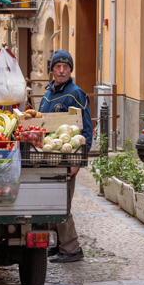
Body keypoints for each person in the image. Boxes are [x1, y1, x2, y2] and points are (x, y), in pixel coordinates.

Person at [39, 49, 93, 263]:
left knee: (62, 205)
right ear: (52, 69)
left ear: (71, 70)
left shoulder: (75, 93)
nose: (61, 71)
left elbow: (86, 129)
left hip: (66, 158)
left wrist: (78, 161)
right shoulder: (48, 93)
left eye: (66, 67)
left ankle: (71, 249)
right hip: (50, 157)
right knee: (50, 202)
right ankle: (58, 244)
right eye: (57, 67)